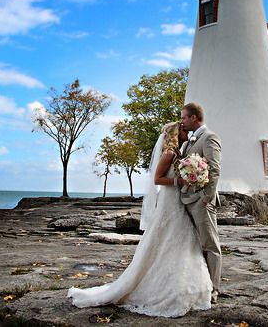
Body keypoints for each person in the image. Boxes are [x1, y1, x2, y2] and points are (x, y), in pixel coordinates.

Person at [68, 121, 212, 317]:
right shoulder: (169, 154)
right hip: (169, 203)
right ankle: (165, 287)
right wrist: (178, 180)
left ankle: (189, 286)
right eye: (185, 130)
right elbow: (157, 179)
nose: (188, 133)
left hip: (177, 202)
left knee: (180, 239)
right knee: (170, 238)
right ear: (177, 133)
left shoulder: (179, 152)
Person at [180, 103, 222, 304]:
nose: (182, 121)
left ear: (194, 118)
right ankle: (200, 285)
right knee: (195, 245)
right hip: (187, 200)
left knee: (210, 245)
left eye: (184, 118)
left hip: (201, 202)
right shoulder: (189, 141)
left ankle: (213, 290)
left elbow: (214, 169)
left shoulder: (209, 137)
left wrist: (207, 198)